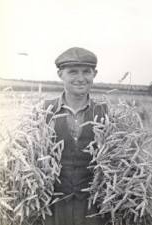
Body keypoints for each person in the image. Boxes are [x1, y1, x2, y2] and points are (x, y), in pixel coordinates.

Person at [44, 47, 109, 225]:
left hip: (94, 209)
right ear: (60, 74)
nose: (80, 78)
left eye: (86, 72)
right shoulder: (43, 112)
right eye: (73, 72)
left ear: (94, 74)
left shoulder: (106, 113)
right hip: (52, 209)